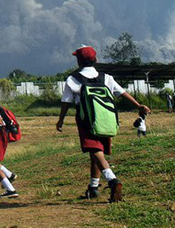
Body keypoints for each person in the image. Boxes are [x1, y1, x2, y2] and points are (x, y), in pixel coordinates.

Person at [56, 45, 151, 203]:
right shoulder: (105, 77)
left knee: (94, 150)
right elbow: (121, 93)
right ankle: (93, 188)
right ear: (95, 60)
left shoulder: (73, 79)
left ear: (79, 61)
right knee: (96, 152)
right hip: (106, 118)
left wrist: (61, 120)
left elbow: (66, 101)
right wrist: (138, 105)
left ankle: (112, 179)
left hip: (85, 118)